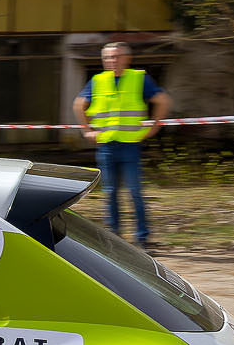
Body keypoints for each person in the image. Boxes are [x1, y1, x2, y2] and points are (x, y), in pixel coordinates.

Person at [74, 41, 173, 247]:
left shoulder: (139, 78)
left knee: (135, 192)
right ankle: (114, 240)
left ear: (128, 59)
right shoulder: (97, 80)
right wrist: (87, 131)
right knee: (110, 192)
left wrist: (155, 126)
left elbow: (163, 100)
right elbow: (78, 104)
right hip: (107, 147)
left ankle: (143, 238)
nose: (112, 60)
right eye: (108, 57)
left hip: (130, 146)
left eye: (116, 56)